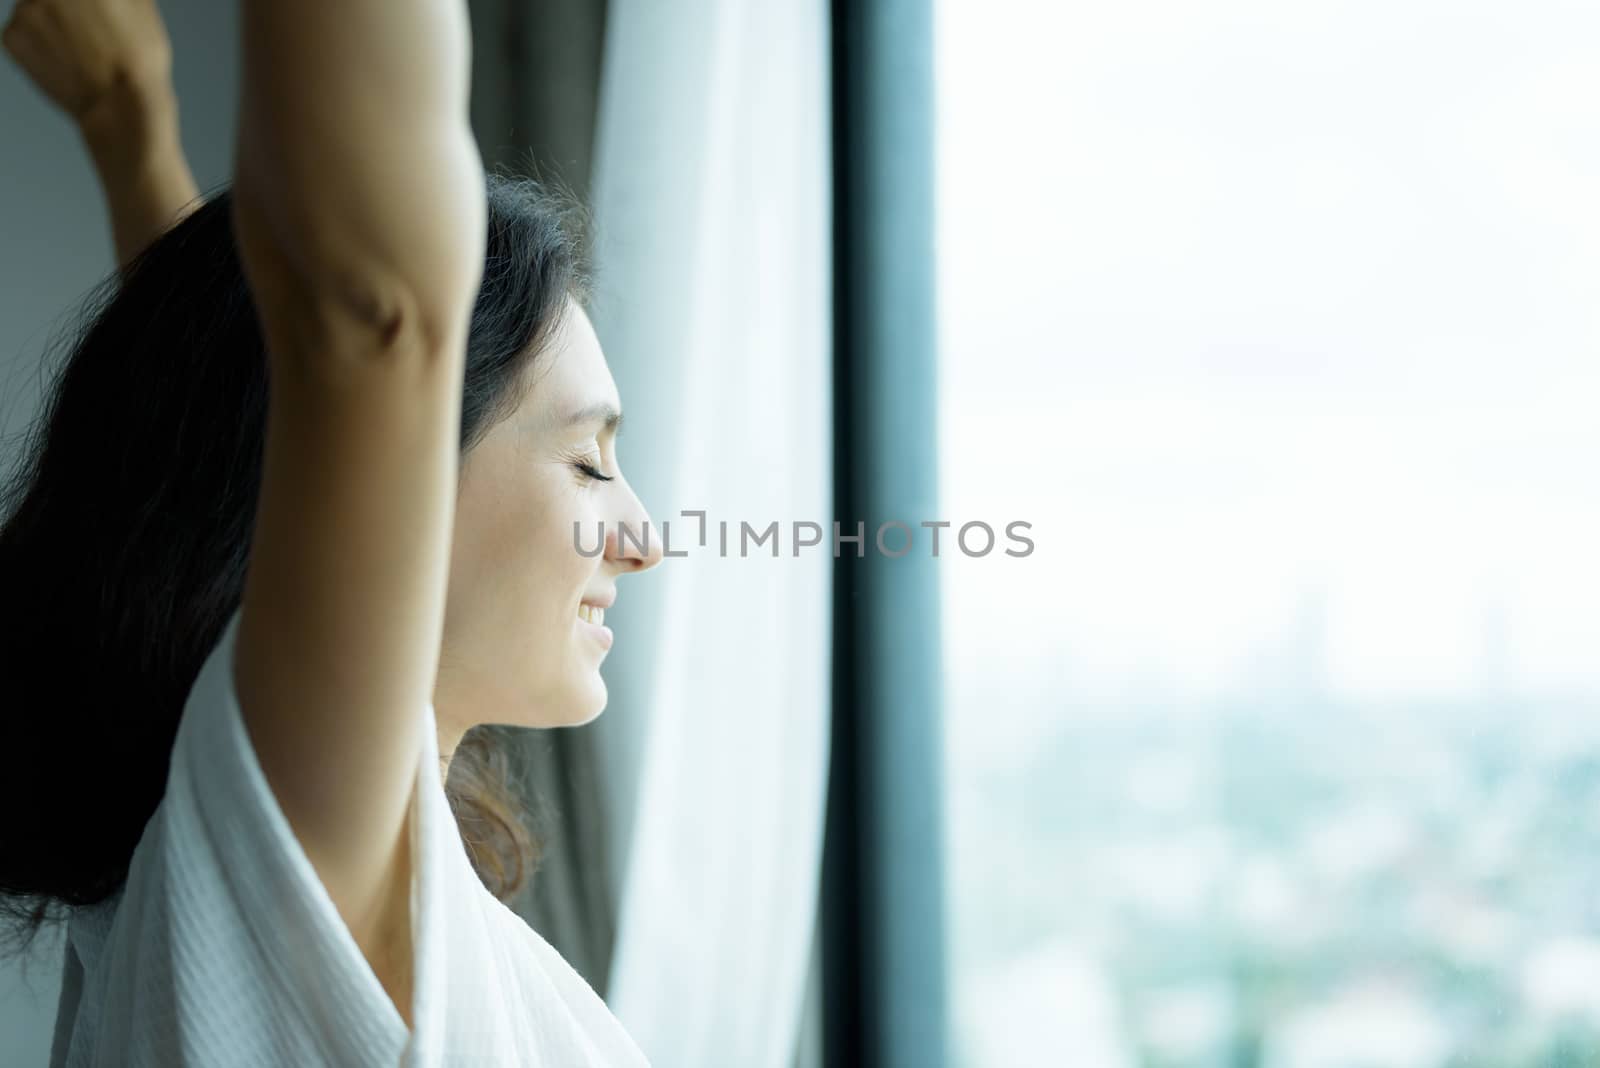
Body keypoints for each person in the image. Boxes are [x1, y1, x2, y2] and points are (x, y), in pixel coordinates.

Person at [0, 0, 664, 1064]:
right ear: (400, 481)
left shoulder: (266, 876)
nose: (642, 537)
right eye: (589, 460)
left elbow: (222, 428)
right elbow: (356, 315)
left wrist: (130, 125)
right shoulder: (304, 836)